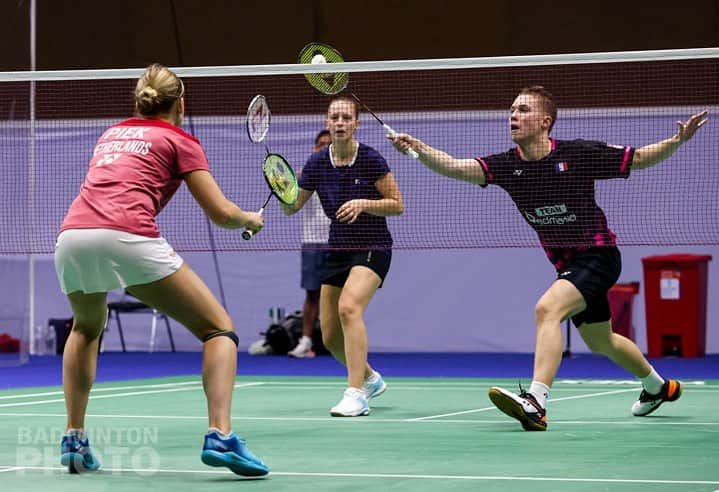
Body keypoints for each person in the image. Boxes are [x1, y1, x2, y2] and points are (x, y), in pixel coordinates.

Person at [388, 86, 708, 431]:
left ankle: (536, 402)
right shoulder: (507, 166)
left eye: (523, 110)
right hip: (567, 264)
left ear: (545, 122)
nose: (513, 115)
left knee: (547, 309)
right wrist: (418, 150)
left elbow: (640, 159)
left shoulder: (579, 153)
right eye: (512, 109)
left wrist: (677, 141)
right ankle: (658, 387)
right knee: (602, 340)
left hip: (597, 254)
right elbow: (455, 168)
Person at [54, 63, 269, 474]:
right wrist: (249, 219)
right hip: (127, 236)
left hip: (72, 236)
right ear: (180, 103)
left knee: (85, 328)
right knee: (218, 330)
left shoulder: (111, 134)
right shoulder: (180, 139)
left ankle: (74, 437)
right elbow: (220, 213)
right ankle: (220, 436)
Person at [282, 96, 404, 416]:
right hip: (337, 248)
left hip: (373, 245)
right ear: (327, 122)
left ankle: (356, 393)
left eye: (345, 117)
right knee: (330, 334)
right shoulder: (318, 162)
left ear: (356, 124)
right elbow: (292, 206)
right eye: (334, 117)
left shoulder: (371, 159)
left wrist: (365, 203)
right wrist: (283, 189)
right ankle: (370, 378)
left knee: (349, 308)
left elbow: (397, 203)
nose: (339, 122)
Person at [288, 129, 332, 358]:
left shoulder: (344, 173)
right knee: (312, 294)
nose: (323, 147)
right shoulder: (306, 175)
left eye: (328, 143)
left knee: (341, 295)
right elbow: (291, 203)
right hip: (313, 241)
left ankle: (337, 342)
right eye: (320, 144)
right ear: (314, 148)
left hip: (339, 241)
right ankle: (305, 341)